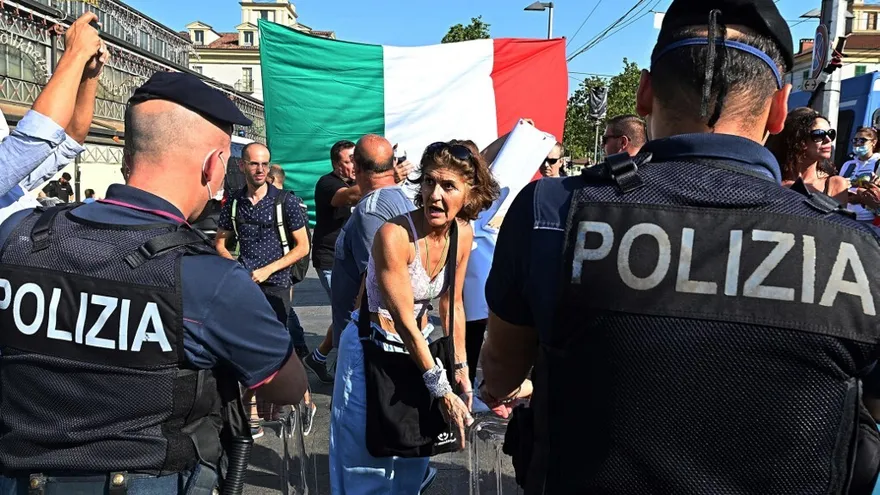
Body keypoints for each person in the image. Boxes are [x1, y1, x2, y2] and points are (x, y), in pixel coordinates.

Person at [480, 0, 880, 492]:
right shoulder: (857, 252)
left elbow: (499, 372)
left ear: (645, 93)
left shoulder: (553, 212)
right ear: (779, 109)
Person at [0, 71, 308, 493]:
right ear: (213, 166)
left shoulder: (19, 235)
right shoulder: (206, 276)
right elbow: (288, 384)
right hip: (147, 479)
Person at [330, 139, 499, 494]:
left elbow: (451, 303)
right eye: (429, 182)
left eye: (448, 186)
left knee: (414, 456)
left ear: (469, 192)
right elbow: (404, 318)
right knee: (367, 466)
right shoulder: (394, 235)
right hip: (370, 351)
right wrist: (440, 388)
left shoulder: (462, 234)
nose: (434, 195)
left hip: (418, 355)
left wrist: (461, 369)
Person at [214, 143, 315, 436]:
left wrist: (269, 270)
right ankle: (255, 410)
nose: (260, 170)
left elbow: (302, 247)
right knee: (248, 344)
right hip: (246, 284)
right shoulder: (234, 203)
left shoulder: (285, 201)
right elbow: (221, 242)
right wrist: (232, 265)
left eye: (265, 164)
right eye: (254, 164)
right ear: (243, 166)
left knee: (279, 345)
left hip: (277, 283)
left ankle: (302, 399)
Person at [766, 107, 849, 204]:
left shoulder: (835, 185)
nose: (828, 140)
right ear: (798, 140)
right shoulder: (771, 179)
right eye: (819, 134)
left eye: (831, 134)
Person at [838, 126, 880, 228]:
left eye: (862, 140)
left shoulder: (878, 163)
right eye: (855, 140)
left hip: (868, 218)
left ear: (873, 142)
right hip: (846, 215)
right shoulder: (848, 164)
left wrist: (861, 198)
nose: (858, 143)